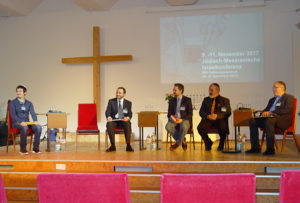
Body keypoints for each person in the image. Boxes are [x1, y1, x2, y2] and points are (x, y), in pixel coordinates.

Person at [246, 81, 294, 155]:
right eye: (273, 87)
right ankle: (255, 148)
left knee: (269, 120)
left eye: (275, 87)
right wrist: (259, 113)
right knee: (252, 121)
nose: (273, 89)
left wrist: (272, 112)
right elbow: (266, 110)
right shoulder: (272, 100)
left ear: (282, 88)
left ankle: (270, 149)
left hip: (281, 120)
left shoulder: (289, 98)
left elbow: (287, 110)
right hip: (270, 119)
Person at [197, 83, 231, 151]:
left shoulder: (225, 100)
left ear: (217, 90)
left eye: (211, 90)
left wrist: (217, 116)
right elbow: (201, 112)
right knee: (200, 128)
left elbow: (228, 112)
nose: (210, 91)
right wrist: (207, 116)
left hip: (219, 119)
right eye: (209, 90)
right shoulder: (206, 100)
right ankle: (208, 142)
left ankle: (221, 144)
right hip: (208, 119)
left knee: (223, 127)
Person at [9, 85, 42, 155]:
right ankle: (23, 149)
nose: (18, 93)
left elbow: (33, 113)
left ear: (25, 93)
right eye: (17, 91)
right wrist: (20, 122)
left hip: (27, 123)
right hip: (16, 123)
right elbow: (13, 115)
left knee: (38, 127)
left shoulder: (29, 103)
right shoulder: (12, 103)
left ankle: (36, 148)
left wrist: (35, 120)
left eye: (20, 91)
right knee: (24, 127)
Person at [105, 87, 134, 152]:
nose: (117, 94)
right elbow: (107, 111)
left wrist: (128, 118)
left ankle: (128, 145)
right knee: (109, 124)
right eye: (117, 92)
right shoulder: (111, 101)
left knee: (127, 123)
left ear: (124, 94)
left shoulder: (128, 103)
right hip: (114, 121)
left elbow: (130, 113)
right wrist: (109, 117)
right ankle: (113, 146)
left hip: (123, 120)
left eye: (119, 93)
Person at [165, 83, 193, 151]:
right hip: (174, 119)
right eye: (173, 90)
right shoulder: (171, 100)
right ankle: (182, 139)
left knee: (183, 126)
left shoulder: (187, 100)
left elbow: (190, 114)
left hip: (184, 119)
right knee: (168, 127)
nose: (173, 91)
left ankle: (177, 144)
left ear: (181, 91)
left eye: (175, 90)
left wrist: (181, 120)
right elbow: (169, 114)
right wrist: (172, 117)